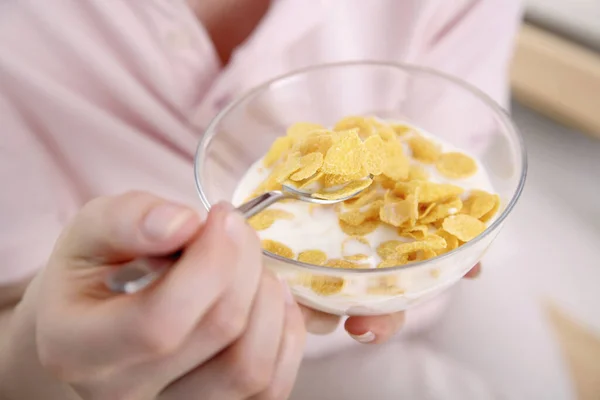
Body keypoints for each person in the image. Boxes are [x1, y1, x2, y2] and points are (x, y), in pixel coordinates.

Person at [0, 0, 574, 399]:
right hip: (231, 343)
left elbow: (454, 156)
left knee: (544, 388)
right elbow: (17, 318)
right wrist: (39, 358)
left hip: (454, 271)